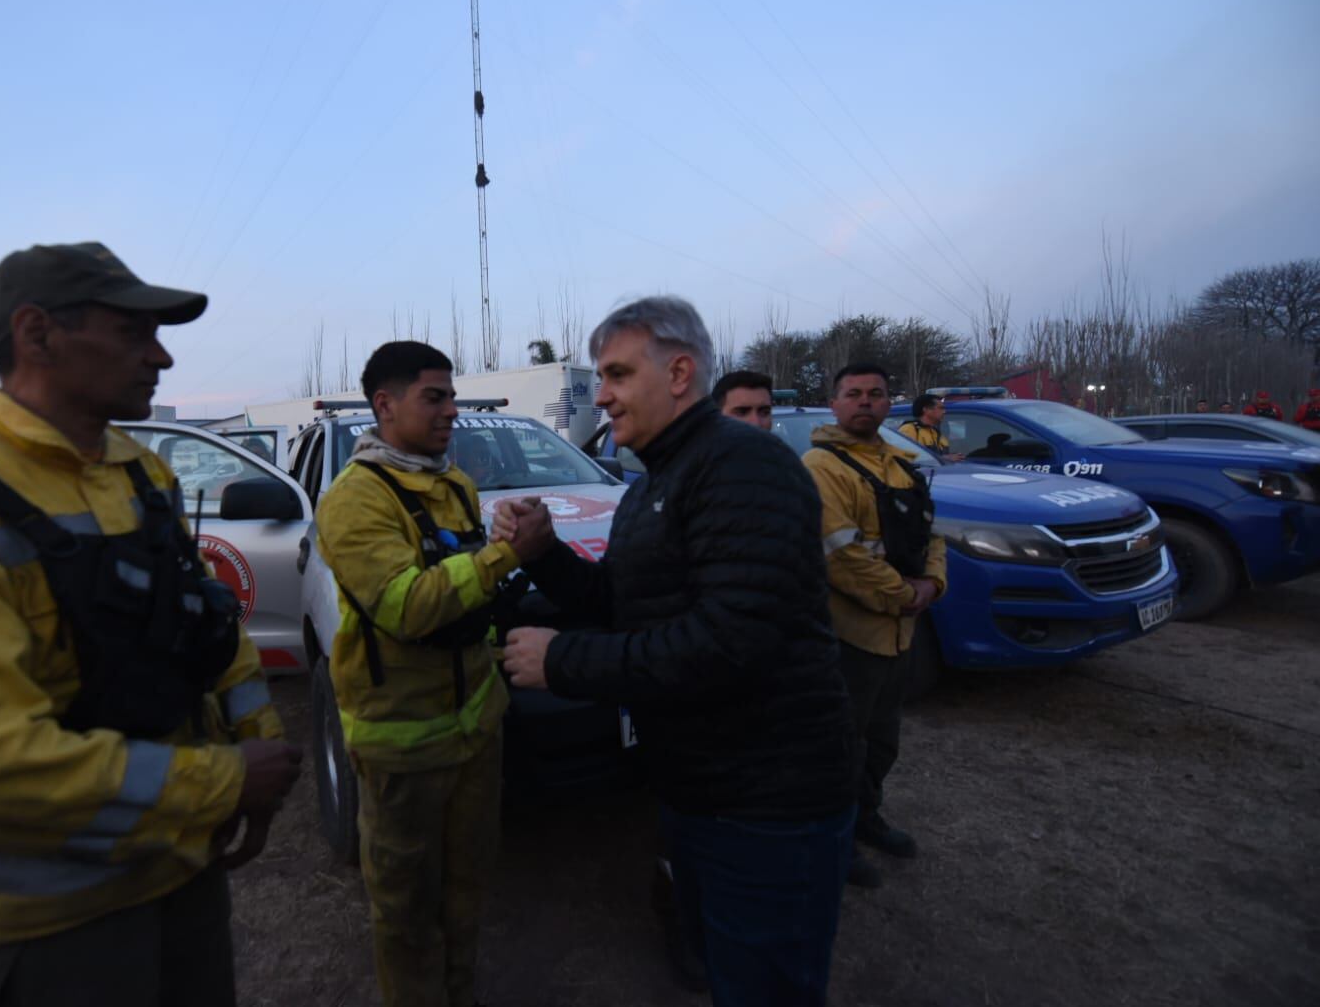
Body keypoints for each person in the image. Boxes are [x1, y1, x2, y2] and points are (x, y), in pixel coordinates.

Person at [0, 242, 302, 1007]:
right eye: (133, 333)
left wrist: (258, 758)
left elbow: (206, 631)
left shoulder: (138, 470)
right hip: (60, 928)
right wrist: (223, 781)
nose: (160, 356)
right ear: (37, 336)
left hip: (184, 881)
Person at [496, 296, 856, 1007]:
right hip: (701, 789)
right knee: (724, 971)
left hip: (769, 802)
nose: (600, 395)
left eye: (617, 374)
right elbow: (621, 603)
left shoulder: (743, 468)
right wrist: (541, 555)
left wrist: (563, 662)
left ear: (681, 372)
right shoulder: (656, 480)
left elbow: (731, 642)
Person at [314, 341, 518, 1007]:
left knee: (467, 893)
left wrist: (496, 544)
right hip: (403, 744)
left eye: (452, 396)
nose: (451, 411)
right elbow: (406, 606)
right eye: (435, 397)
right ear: (385, 404)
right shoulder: (354, 499)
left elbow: (467, 588)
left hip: (476, 728)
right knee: (406, 911)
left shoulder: (453, 483)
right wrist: (506, 556)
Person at [801, 362, 947, 892]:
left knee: (882, 742)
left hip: (897, 638)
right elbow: (841, 555)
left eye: (876, 394)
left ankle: (867, 819)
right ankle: (831, 844)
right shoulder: (821, 467)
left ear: (890, 404)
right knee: (840, 749)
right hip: (850, 638)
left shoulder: (903, 466)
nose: (865, 402)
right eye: (853, 394)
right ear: (834, 404)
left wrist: (934, 583)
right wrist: (906, 596)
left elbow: (932, 535)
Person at [898, 393, 958, 458]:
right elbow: (903, 459)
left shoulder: (936, 433)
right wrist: (943, 458)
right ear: (926, 409)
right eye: (940, 408)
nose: (944, 412)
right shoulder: (909, 430)